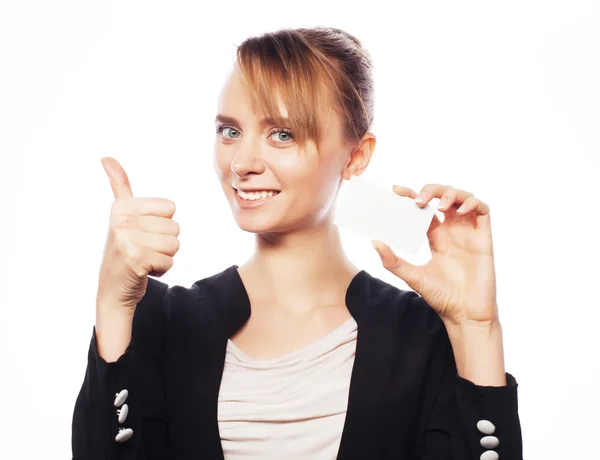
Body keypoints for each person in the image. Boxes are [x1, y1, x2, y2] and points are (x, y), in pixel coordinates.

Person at [71, 26, 523, 459]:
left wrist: (476, 329)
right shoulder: (162, 320)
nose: (242, 162)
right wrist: (112, 303)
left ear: (357, 156)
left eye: (281, 134)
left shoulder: (421, 335)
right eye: (230, 130)